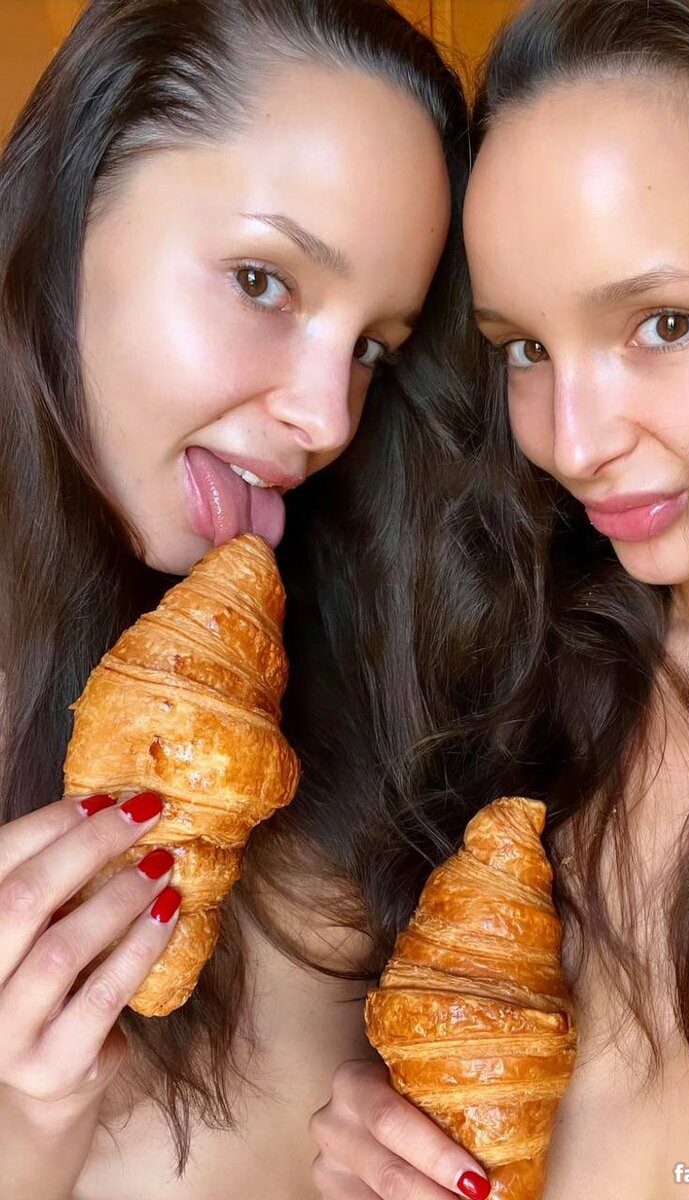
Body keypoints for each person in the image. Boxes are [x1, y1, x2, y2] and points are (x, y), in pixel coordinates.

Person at [309, 0, 689, 1196]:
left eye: (661, 325)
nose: (570, 444)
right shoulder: (519, 689)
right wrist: (391, 1145)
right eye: (524, 348)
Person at [0, 0, 480, 1196]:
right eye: (263, 281)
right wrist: (27, 1132)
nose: (325, 418)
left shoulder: (372, 697)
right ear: (72, 211)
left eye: (372, 347)